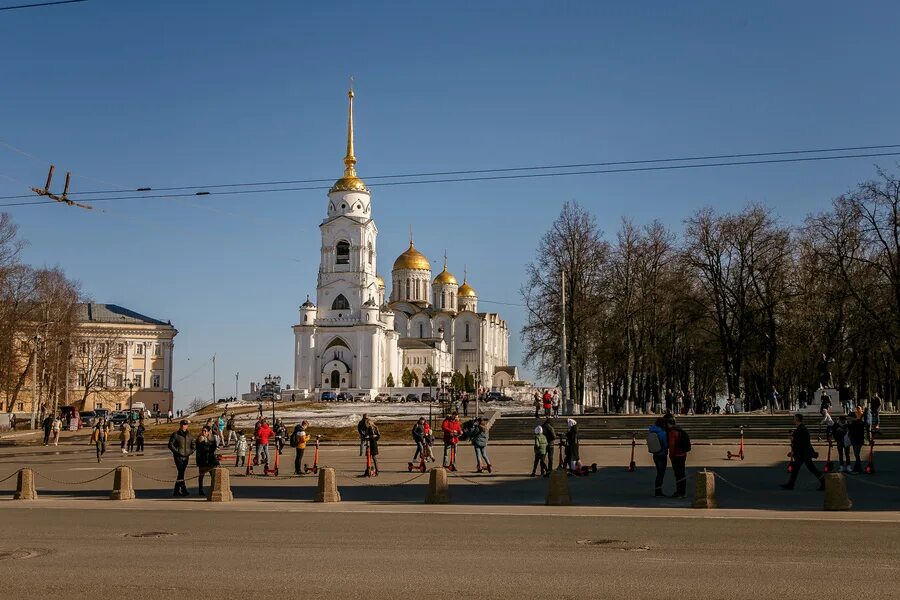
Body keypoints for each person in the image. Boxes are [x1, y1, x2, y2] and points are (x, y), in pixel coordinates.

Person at [782, 414, 824, 491]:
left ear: (797, 419)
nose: (793, 419)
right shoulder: (801, 429)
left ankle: (824, 483)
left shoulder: (801, 429)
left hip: (803, 454)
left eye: (794, 418)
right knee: (797, 469)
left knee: (812, 469)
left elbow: (801, 443)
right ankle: (790, 484)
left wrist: (793, 452)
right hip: (803, 453)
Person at [167, 420, 195, 497]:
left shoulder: (189, 435)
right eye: (183, 424)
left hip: (186, 457)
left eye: (185, 424)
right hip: (178, 457)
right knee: (181, 472)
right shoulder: (175, 434)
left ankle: (177, 490)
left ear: (187, 426)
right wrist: (177, 452)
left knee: (181, 473)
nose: (184, 426)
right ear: (180, 425)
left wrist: (190, 452)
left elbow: (193, 445)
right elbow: (170, 445)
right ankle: (183, 489)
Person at [665, 415, 690, 497]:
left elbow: (671, 445)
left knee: (678, 474)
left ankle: (680, 492)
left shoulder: (672, 432)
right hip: (683, 454)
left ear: (668, 423)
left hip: (676, 455)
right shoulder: (680, 430)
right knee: (682, 473)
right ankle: (682, 491)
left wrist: (670, 455)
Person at [195, 426, 218, 497]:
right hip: (202, 460)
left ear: (208, 432)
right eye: (202, 431)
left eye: (205, 431)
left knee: (213, 476)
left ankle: (213, 489)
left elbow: (213, 449)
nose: (203, 432)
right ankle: (200, 489)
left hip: (210, 460)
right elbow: (199, 450)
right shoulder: (199, 440)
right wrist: (202, 442)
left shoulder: (212, 439)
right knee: (201, 476)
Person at [648, 417, 668, 497]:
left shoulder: (651, 431)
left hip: (655, 454)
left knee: (659, 473)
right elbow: (665, 444)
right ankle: (658, 491)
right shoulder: (662, 433)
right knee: (661, 473)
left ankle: (658, 490)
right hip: (662, 454)